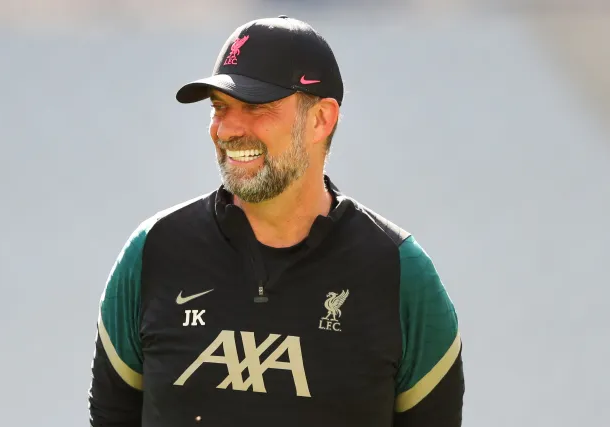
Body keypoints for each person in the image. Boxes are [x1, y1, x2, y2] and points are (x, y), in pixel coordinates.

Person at [87, 15, 464, 427]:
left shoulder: (399, 272)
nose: (227, 129)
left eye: (254, 107)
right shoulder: (154, 251)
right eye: (219, 108)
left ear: (321, 119)